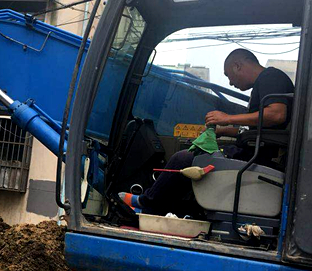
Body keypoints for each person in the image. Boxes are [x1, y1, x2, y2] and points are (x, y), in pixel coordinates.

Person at [120, 49, 294, 216]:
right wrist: (225, 130)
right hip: (253, 153)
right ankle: (159, 209)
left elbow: (276, 114)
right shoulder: (264, 83)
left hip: (256, 158)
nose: (231, 83)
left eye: (228, 75)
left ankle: (147, 203)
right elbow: (258, 130)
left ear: (238, 66)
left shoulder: (271, 77)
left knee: (184, 159)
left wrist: (228, 118)